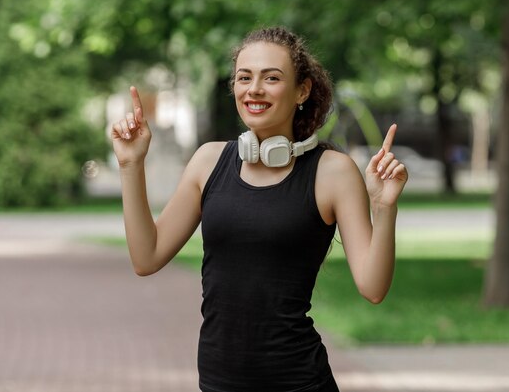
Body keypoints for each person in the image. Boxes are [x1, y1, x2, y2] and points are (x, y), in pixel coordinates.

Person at [111, 26, 408, 392]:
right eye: (244, 77)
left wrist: (384, 206)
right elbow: (146, 257)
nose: (254, 89)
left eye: (272, 78)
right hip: (219, 381)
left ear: (302, 90)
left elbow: (373, 288)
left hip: (299, 381)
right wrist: (131, 166)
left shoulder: (332, 172)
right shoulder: (208, 161)